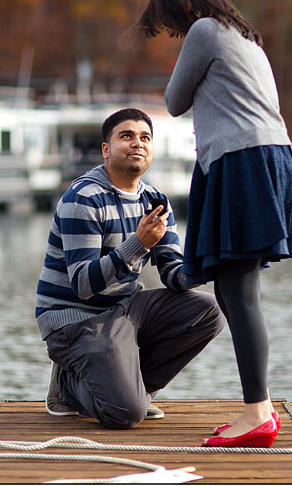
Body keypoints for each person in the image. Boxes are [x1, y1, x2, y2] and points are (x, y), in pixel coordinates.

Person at [129, 0, 292, 447]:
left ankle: (257, 415)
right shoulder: (245, 36)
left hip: (240, 162)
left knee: (241, 294)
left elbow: (173, 101)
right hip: (266, 158)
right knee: (235, 293)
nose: (174, 32)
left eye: (172, 23)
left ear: (183, 9)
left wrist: (186, 52)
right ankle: (262, 408)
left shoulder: (205, 31)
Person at [35, 107, 224, 430]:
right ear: (106, 150)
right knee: (125, 415)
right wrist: (138, 242)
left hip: (123, 309)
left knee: (208, 311)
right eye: (127, 136)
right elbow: (83, 284)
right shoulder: (83, 198)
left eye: (145, 137)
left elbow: (172, 274)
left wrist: (202, 266)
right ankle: (68, 386)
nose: (138, 143)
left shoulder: (155, 200)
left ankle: (133, 387)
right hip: (76, 318)